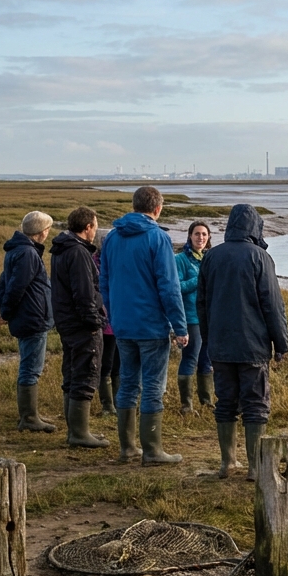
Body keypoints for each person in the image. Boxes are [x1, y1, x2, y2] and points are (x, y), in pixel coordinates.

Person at [196, 204, 288, 480]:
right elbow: (273, 305)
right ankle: (254, 467)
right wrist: (281, 344)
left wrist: (209, 337)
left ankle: (228, 463)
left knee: (225, 402)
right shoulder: (260, 257)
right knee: (256, 404)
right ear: (255, 227)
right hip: (253, 346)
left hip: (220, 345)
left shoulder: (211, 257)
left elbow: (201, 303)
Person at [99, 186, 188, 465]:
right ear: (158, 209)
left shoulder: (112, 237)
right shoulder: (158, 238)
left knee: (127, 383)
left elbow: (104, 282)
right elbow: (169, 286)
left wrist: (114, 316)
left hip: (123, 325)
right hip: (150, 325)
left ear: (134, 205)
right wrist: (180, 326)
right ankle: (152, 450)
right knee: (151, 386)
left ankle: (128, 448)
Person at [50, 207, 109, 448]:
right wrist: (95, 321)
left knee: (73, 374)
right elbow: (84, 293)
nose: (95, 231)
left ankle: (75, 430)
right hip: (81, 323)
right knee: (85, 373)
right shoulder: (78, 252)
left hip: (67, 321)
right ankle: (79, 433)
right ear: (87, 228)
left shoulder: (62, 249)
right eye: (95, 226)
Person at [0, 210, 56, 433]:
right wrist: (6, 312)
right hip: (32, 318)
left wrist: (4, 311)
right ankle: (29, 418)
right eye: (47, 229)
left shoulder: (17, 250)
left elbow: (5, 283)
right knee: (31, 368)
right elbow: (15, 287)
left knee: (30, 366)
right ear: (42, 232)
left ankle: (31, 414)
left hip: (27, 316)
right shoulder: (28, 253)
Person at [174, 221, 214, 414]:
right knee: (191, 357)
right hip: (190, 317)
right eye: (197, 234)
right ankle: (186, 405)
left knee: (207, 358)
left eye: (204, 234)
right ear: (190, 236)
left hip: (209, 317)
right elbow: (177, 287)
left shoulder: (210, 258)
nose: (201, 238)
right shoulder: (180, 260)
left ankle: (207, 401)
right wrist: (199, 279)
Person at [94, 237, 119, 415]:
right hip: (105, 323)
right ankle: (107, 404)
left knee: (118, 364)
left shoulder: (117, 262)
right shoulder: (93, 264)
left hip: (120, 320)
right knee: (106, 363)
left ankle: (119, 402)